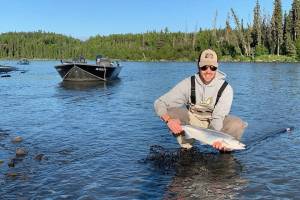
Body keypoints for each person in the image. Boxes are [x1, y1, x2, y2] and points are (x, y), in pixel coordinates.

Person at [154, 49, 247, 151]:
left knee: (238, 124)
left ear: (217, 66)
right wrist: (169, 121)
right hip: (193, 121)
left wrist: (213, 138)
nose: (208, 71)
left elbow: (218, 118)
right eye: (204, 67)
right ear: (198, 66)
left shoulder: (226, 89)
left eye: (212, 67)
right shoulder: (188, 83)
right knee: (170, 112)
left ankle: (226, 150)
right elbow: (159, 103)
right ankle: (186, 147)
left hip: (214, 122)